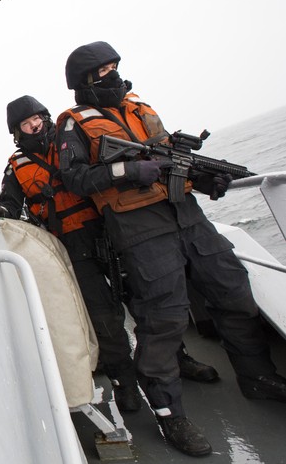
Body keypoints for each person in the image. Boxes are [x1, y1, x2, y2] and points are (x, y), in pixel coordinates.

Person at [56, 41, 286, 457]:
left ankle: (258, 377)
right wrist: (128, 169)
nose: (113, 75)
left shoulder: (139, 108)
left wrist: (204, 179)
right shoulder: (72, 125)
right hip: (140, 227)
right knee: (164, 318)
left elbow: (170, 161)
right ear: (85, 82)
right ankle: (169, 414)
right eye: (103, 71)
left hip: (187, 215)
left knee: (233, 289)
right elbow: (75, 179)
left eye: (114, 67)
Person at [0, 96, 217, 416]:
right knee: (105, 317)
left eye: (37, 118)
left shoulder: (73, 141)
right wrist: (0, 211)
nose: (34, 126)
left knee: (146, 298)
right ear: (18, 132)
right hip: (73, 246)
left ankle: (178, 359)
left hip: (111, 229)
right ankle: (125, 381)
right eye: (26, 124)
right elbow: (10, 205)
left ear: (45, 117)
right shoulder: (16, 167)